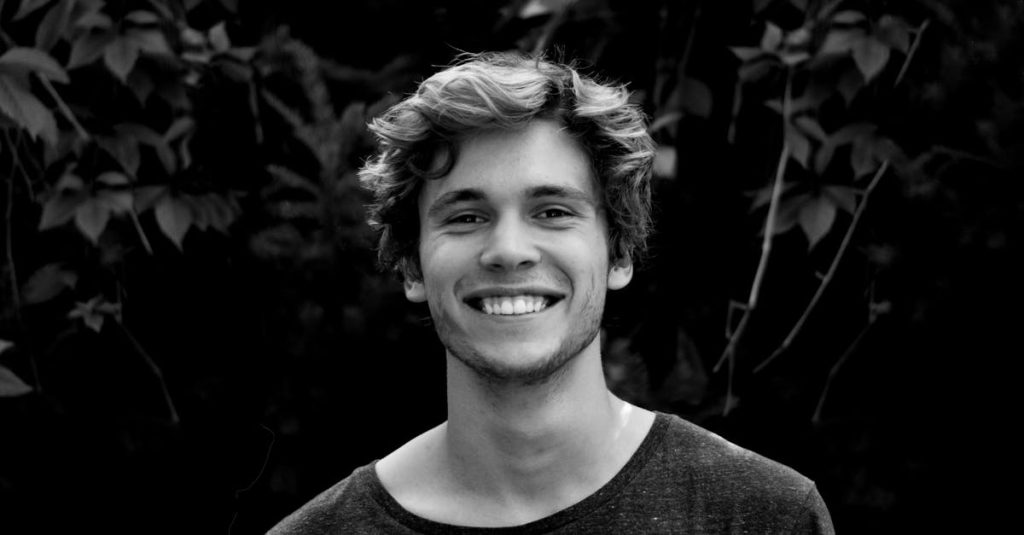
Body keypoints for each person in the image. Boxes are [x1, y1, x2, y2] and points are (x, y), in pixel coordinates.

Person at [268, 51, 834, 534]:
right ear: (412, 266)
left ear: (618, 252)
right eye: (466, 217)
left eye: (553, 211)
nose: (508, 249)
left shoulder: (762, 516)